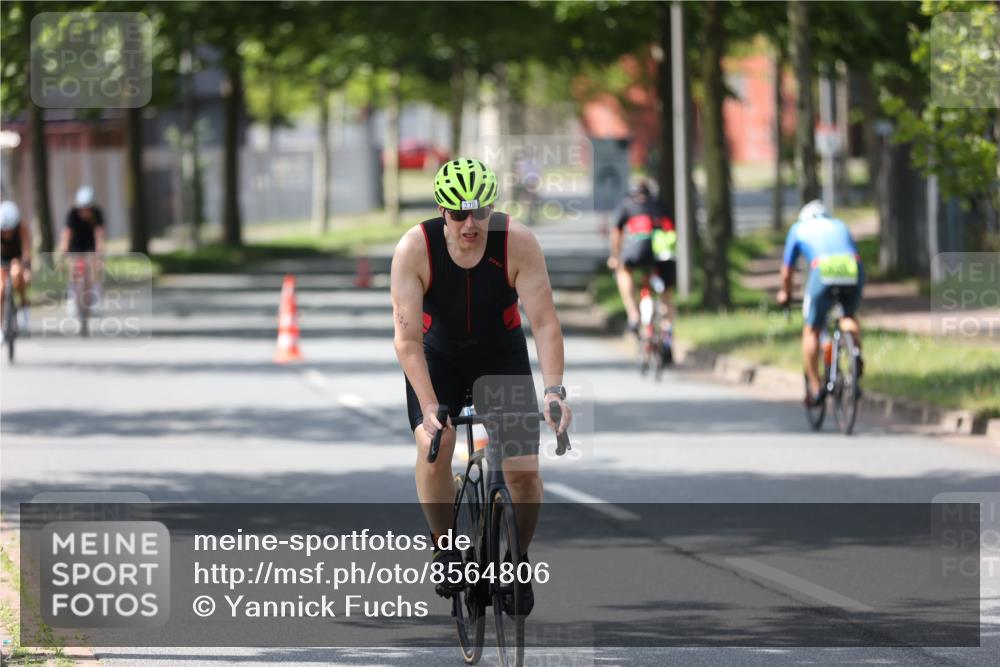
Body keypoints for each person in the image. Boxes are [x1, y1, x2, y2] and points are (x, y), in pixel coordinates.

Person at [391, 158, 572, 614]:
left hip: (500, 355)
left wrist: (554, 391)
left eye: (480, 212)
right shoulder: (415, 248)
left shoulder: (517, 242)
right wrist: (429, 407)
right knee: (435, 442)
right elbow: (406, 341)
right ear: (442, 210)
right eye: (459, 214)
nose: (470, 224)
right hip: (438, 357)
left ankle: (516, 559)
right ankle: (445, 547)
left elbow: (545, 323)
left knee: (524, 474)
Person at [777, 200, 865, 406]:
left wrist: (785, 294)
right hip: (852, 265)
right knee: (848, 316)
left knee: (812, 330)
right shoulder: (839, 224)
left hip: (822, 267)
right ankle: (855, 352)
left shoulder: (798, 228)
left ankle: (816, 388)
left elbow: (787, 272)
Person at [607, 179, 677, 362]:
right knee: (667, 295)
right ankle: (667, 335)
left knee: (622, 271)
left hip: (638, 250)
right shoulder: (661, 204)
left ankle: (633, 314)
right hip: (664, 252)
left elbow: (616, 233)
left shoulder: (626, 205)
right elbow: (673, 228)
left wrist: (615, 256)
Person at [60, 186, 105, 313]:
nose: (84, 212)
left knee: (95, 267)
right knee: (73, 269)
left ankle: (95, 298)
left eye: (87, 209)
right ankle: (72, 298)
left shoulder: (97, 213)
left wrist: (99, 254)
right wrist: (64, 251)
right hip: (76, 245)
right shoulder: (72, 213)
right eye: (82, 209)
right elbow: (67, 234)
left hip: (90, 245)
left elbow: (99, 235)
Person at [0, 200, 32, 339]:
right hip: (2, 260)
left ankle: (24, 306)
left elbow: (26, 251)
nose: (7, 233)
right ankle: (1, 326)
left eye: (10, 230)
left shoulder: (22, 229)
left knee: (18, 276)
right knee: (1, 289)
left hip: (17, 259)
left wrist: (27, 270)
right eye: (4, 230)